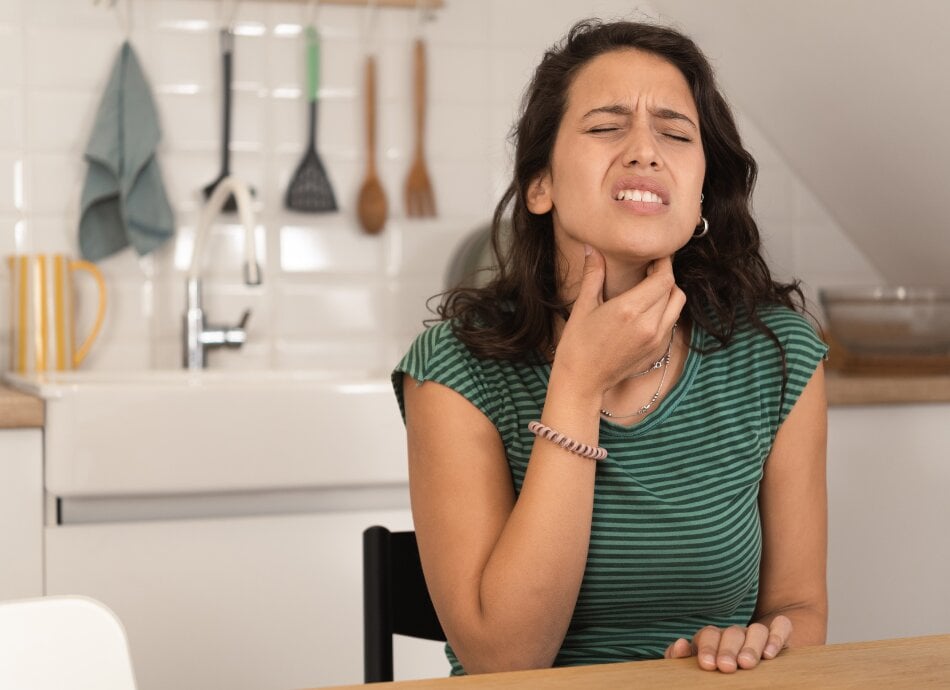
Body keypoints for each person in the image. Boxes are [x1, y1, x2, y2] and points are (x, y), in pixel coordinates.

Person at [392, 18, 827, 676]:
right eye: (606, 126)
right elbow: (504, 660)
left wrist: (759, 645)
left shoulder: (779, 356)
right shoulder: (455, 369)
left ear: (703, 191)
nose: (646, 151)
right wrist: (577, 386)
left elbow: (797, 606)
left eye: (676, 134)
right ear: (540, 185)